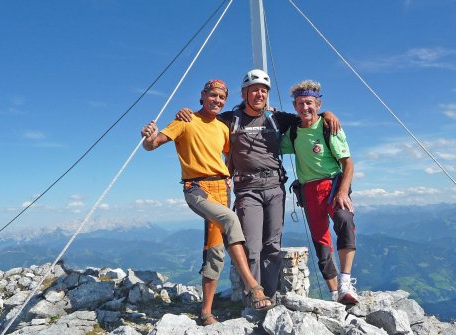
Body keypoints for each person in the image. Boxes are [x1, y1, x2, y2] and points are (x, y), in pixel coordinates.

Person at [176, 70, 340, 299]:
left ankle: (269, 298)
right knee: (252, 247)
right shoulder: (230, 119)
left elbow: (307, 117)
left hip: (275, 188)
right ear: (245, 93)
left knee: (272, 247)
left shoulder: (277, 118)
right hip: (248, 189)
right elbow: (205, 117)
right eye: (254, 90)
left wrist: (327, 113)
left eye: (263, 90)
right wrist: (186, 112)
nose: (259, 94)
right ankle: (253, 299)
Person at [141, 79, 274, 326]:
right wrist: (147, 138)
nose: (217, 101)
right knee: (230, 219)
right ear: (202, 96)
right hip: (197, 188)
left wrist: (231, 176)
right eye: (213, 95)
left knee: (214, 252)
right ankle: (254, 286)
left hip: (222, 188)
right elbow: (153, 144)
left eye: (221, 98)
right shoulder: (185, 120)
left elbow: (228, 154)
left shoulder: (223, 127)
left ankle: (205, 313)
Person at [280, 79, 359, 304]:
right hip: (309, 190)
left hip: (333, 185)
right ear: (294, 107)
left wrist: (343, 192)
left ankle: (345, 282)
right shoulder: (293, 132)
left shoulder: (328, 127)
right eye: (300, 103)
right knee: (321, 240)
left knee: (344, 220)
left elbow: (348, 163)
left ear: (318, 104)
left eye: (310, 103)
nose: (305, 108)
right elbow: (275, 145)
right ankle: (335, 293)